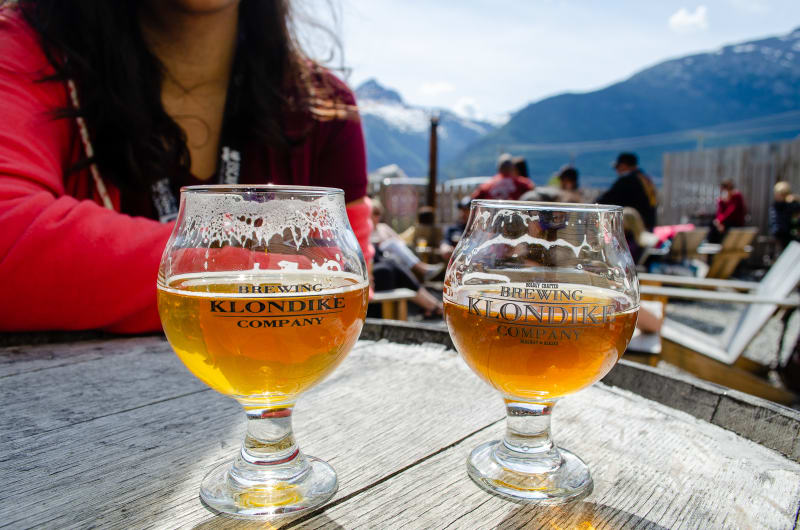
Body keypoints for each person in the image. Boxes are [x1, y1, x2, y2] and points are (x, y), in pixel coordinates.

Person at [0, 1, 373, 333]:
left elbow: (344, 294)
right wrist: (261, 268)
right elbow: (8, 239)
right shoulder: (23, 48)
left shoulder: (324, 108)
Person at [371, 200, 443, 282]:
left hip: (392, 255)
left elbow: (399, 240)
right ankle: (422, 270)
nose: (378, 216)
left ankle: (419, 277)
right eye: (375, 213)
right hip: (378, 256)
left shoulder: (383, 227)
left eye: (379, 213)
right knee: (393, 244)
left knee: (399, 246)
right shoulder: (366, 230)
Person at [597, 153, 658, 231]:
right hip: (648, 223)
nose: (617, 170)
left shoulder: (628, 180)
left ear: (623, 165)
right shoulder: (645, 179)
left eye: (618, 167)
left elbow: (608, 199)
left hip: (634, 226)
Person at [440, 197, 471, 263]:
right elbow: (445, 244)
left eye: (467, 210)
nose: (463, 213)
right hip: (455, 263)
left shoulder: (478, 230)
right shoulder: (453, 229)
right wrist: (445, 248)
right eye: (462, 210)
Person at [769, 181, 800, 249]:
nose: (778, 196)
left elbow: (795, 219)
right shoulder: (776, 206)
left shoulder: (791, 205)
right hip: (779, 235)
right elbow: (775, 222)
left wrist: (794, 201)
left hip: (791, 236)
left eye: (782, 195)